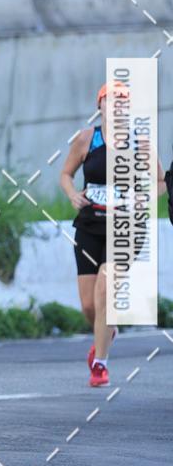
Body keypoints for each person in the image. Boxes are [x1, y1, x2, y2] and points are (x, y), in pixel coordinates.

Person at [60, 81, 165, 387]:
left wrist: (145, 195)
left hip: (126, 226)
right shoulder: (86, 139)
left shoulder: (140, 143)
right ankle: (106, 332)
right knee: (89, 306)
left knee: (106, 289)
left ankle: (101, 364)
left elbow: (160, 181)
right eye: (110, 101)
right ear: (100, 106)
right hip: (90, 223)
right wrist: (71, 194)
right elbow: (65, 174)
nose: (116, 108)